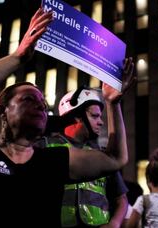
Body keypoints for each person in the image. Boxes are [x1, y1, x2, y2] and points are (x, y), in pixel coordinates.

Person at [0, 7, 135, 228]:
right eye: (28, 99)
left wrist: (112, 103)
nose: (40, 106)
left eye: (42, 103)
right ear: (2, 110)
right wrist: (17, 58)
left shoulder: (53, 161)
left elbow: (116, 159)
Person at [43, 87, 129, 227]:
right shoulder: (45, 147)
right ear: (76, 116)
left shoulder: (102, 156)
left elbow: (122, 198)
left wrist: (115, 223)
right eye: (95, 116)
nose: (101, 122)